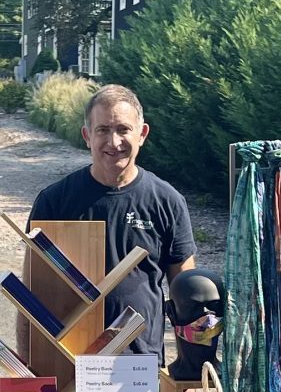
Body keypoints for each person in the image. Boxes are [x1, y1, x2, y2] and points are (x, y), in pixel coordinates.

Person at [26, 84, 195, 358]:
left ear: (142, 134)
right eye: (102, 130)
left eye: (123, 129)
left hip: (140, 365)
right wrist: (31, 368)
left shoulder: (167, 201)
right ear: (86, 136)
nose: (113, 142)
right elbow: (31, 294)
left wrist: (186, 372)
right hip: (68, 362)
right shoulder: (55, 202)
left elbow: (187, 295)